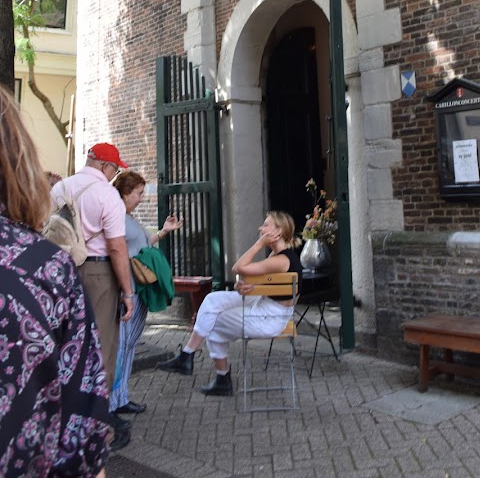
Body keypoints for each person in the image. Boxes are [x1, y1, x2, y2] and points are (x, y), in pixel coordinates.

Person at [0, 85, 110, 477]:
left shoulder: (63, 188)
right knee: (94, 351)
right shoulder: (46, 268)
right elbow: (80, 433)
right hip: (83, 271)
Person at [157, 211, 302, 396]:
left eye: (266, 225)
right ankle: (194, 360)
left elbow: (238, 267)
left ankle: (206, 369)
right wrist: (243, 285)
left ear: (278, 232)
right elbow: (257, 280)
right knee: (211, 300)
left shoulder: (281, 259)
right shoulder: (279, 255)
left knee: (213, 322)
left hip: (270, 317)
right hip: (265, 306)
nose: (261, 228)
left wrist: (259, 244)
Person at [51, 141, 135, 451]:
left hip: (62, 271)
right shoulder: (107, 194)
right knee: (101, 347)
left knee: (65, 342)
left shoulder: (59, 188)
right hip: (98, 274)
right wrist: (128, 292)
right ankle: (94, 423)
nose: (115, 175)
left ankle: (61, 416)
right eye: (115, 169)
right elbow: (116, 247)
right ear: (105, 166)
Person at [110, 169, 182, 416]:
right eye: (139, 193)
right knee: (121, 344)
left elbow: (139, 245)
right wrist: (124, 290)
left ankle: (121, 398)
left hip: (138, 289)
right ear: (125, 193)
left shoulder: (128, 216)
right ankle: (112, 401)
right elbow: (117, 251)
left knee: (129, 343)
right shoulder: (116, 217)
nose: (141, 198)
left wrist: (163, 232)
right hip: (129, 289)